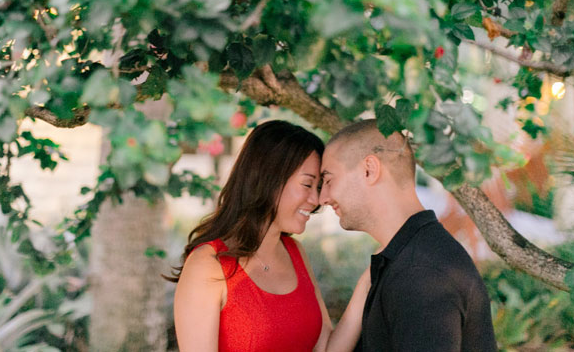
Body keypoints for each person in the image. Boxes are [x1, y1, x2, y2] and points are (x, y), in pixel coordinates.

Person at [170, 120, 370, 352]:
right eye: (307, 184)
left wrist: (366, 282)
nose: (316, 200)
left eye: (318, 188)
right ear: (268, 179)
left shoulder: (294, 252)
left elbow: (326, 349)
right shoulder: (208, 265)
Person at [319, 119, 497, 352]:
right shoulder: (412, 256)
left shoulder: (421, 274)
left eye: (329, 180)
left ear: (369, 170)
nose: (322, 198)